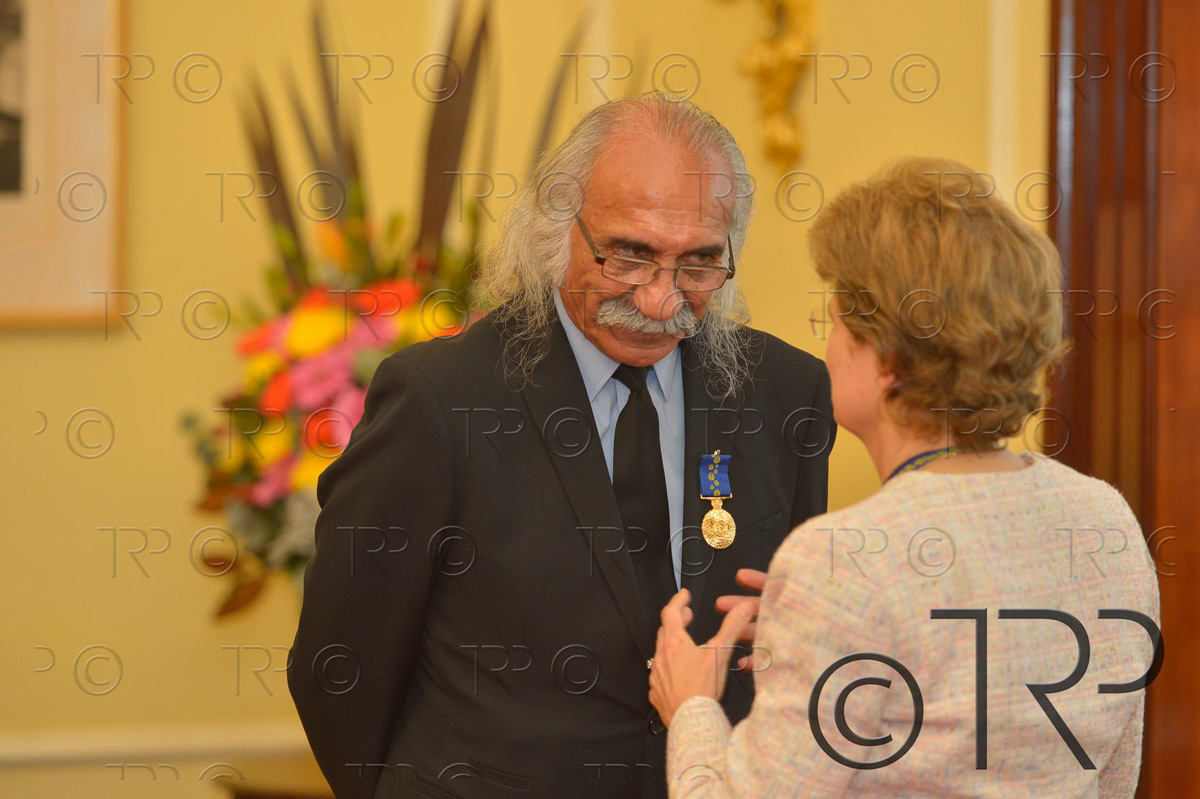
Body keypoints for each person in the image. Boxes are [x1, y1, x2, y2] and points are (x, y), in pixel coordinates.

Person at [287, 92, 836, 799]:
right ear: (555, 228)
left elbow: (789, 646)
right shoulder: (440, 400)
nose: (662, 300)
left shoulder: (785, 393)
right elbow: (340, 666)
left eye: (699, 263)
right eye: (629, 256)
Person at [649, 157, 1161, 798]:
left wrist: (692, 706)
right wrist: (817, 620)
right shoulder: (1105, 517)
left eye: (835, 321)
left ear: (888, 360)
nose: (826, 348)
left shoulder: (844, 561)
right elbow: (1113, 775)